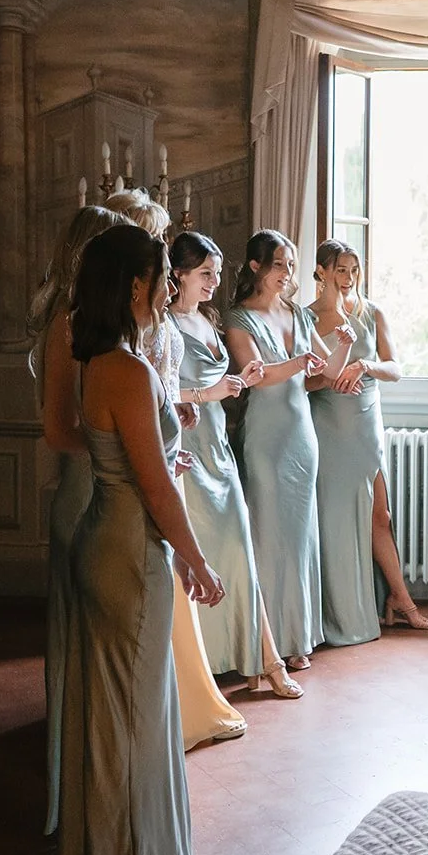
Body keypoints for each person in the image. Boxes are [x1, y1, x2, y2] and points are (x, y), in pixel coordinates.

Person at [55, 224, 226, 855]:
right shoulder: (131, 370)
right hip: (132, 553)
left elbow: (122, 455)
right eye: (160, 276)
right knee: (136, 720)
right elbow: (155, 495)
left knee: (113, 713)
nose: (166, 289)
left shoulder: (99, 361)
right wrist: (197, 558)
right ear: (135, 286)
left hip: (102, 537)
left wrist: (162, 456)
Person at [108, 189, 247, 747]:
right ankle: (161, 716)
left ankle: (178, 703)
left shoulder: (162, 324)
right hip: (141, 476)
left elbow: (157, 400)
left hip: (176, 452)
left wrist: (174, 423)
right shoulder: (128, 337)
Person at [169, 231, 303, 699]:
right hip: (186, 449)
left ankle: (258, 660)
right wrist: (209, 394)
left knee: (240, 553)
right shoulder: (163, 327)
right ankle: (223, 667)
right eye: (205, 274)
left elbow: (217, 384)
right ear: (179, 274)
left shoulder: (207, 319)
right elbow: (159, 392)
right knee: (209, 557)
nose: (213, 283)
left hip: (218, 446)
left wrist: (237, 382)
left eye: (217, 274)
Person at [29, 202, 125, 836]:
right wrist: (119, 454)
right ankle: (70, 797)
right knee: (75, 644)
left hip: (105, 492)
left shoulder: (96, 324)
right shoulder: (65, 325)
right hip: (81, 495)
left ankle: (103, 784)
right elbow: (57, 431)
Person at [307, 239, 428, 643]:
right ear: (321, 272)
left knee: (381, 516)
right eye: (339, 270)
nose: (347, 279)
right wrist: (330, 375)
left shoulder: (372, 312)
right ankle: (339, 612)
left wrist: (364, 364)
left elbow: (395, 368)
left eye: (353, 270)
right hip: (328, 424)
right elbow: (304, 381)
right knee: (336, 521)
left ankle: (399, 599)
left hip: (365, 424)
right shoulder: (305, 318)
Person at [226, 230, 327, 671]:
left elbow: (320, 376)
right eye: (281, 264)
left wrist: (339, 348)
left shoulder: (299, 316)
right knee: (268, 534)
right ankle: (266, 641)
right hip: (265, 436)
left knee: (300, 537)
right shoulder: (237, 318)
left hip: (301, 434)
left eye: (291, 264)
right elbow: (257, 375)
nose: (288, 273)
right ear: (256, 267)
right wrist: (300, 363)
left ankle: (299, 637)